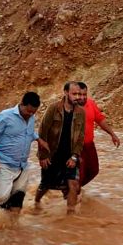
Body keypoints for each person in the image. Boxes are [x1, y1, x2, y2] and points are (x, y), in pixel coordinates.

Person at [0, 92, 48, 219]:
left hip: (22, 165)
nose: (30, 115)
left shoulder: (31, 117)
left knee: (17, 197)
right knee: (1, 196)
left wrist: (38, 139)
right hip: (4, 163)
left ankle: (10, 229)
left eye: (33, 112)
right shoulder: (5, 116)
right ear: (21, 104)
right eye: (28, 111)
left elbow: (28, 132)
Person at [34, 82, 86, 214]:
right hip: (52, 154)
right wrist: (43, 155)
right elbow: (42, 131)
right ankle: (36, 202)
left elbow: (80, 137)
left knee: (73, 184)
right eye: (74, 94)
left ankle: (70, 216)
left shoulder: (81, 112)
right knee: (45, 185)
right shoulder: (53, 108)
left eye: (79, 94)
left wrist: (75, 156)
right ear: (66, 92)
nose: (77, 97)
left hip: (70, 155)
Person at [76, 82, 120, 188]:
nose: (82, 97)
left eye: (84, 94)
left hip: (89, 145)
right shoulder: (69, 107)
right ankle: (73, 194)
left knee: (94, 171)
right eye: (79, 94)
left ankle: (72, 189)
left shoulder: (91, 103)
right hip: (75, 147)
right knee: (80, 174)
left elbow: (100, 120)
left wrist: (113, 134)